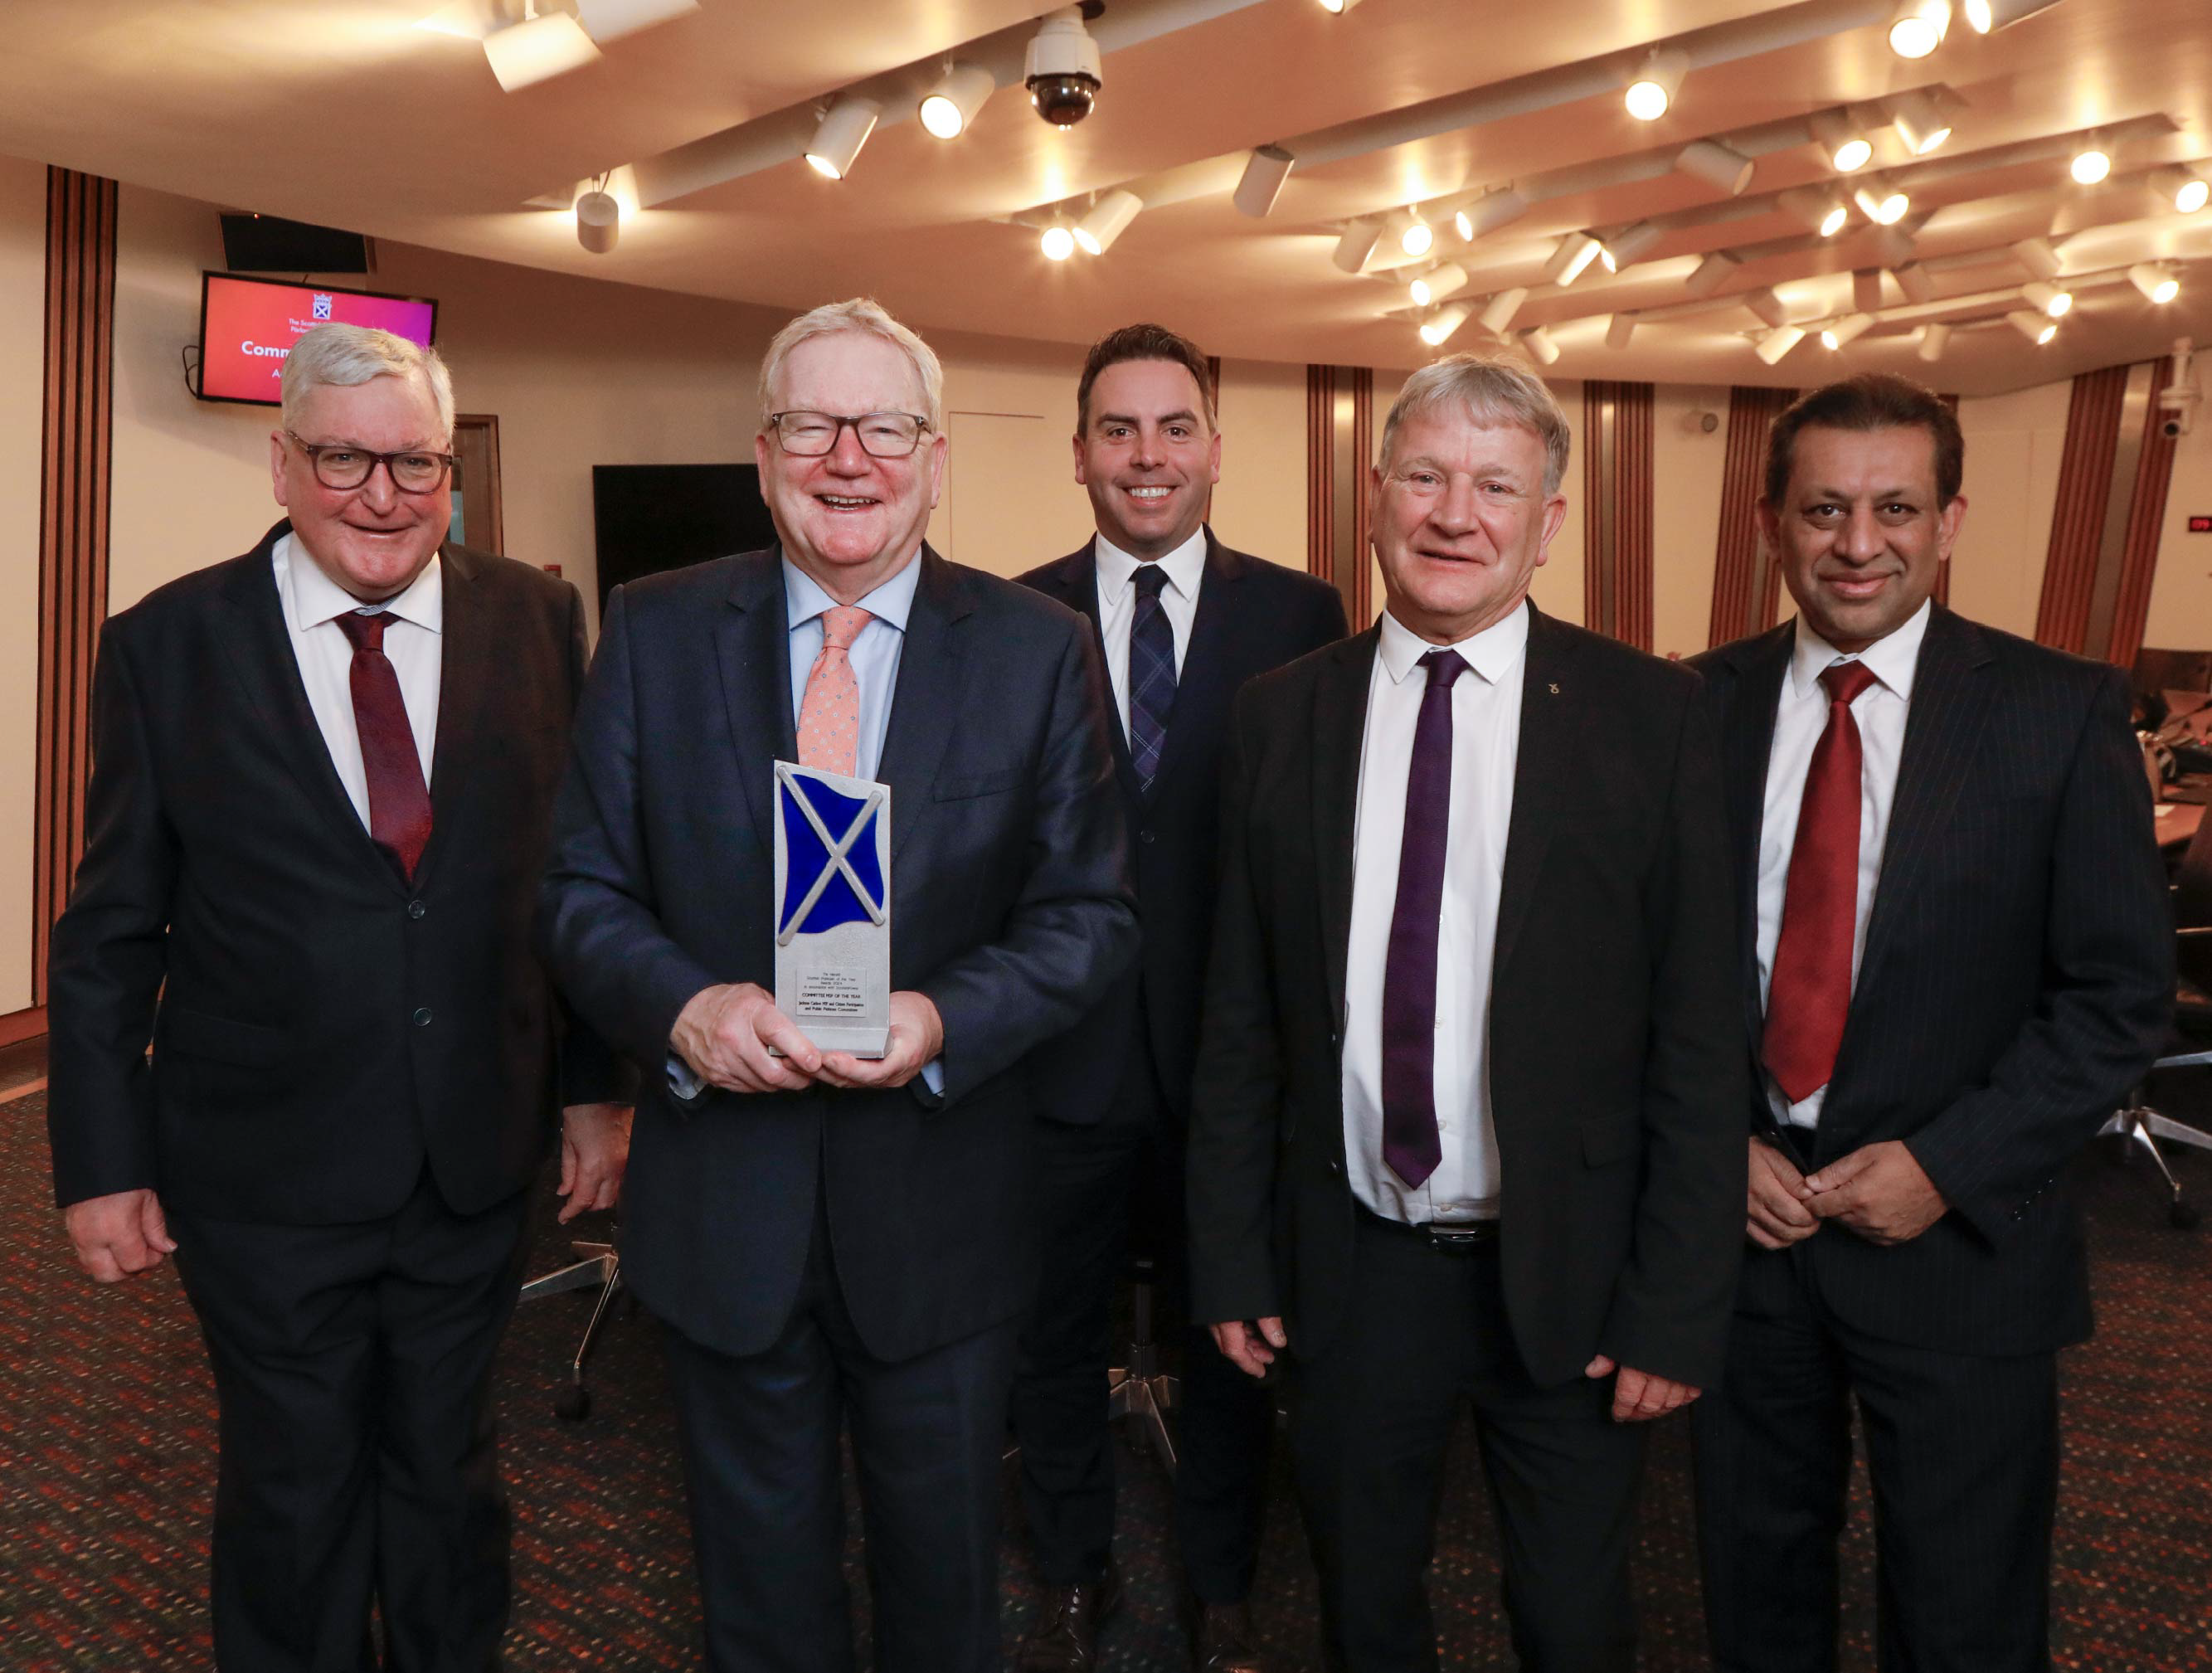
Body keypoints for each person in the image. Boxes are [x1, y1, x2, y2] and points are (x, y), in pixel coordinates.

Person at [536, 297, 1138, 1673]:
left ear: (934, 459)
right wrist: (682, 1008)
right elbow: (576, 894)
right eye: (813, 423)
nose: (846, 457)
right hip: (723, 1211)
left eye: (884, 427)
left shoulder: (1037, 650)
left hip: (941, 1209)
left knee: (945, 1595)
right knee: (756, 1599)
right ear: (764, 455)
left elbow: (1089, 916)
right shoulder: (652, 630)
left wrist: (942, 1019)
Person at [46, 322, 633, 1671]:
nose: (382, 494)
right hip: (261, 1163)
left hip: (473, 1150)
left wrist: (593, 1088)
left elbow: (577, 880)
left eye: (413, 462)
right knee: (296, 1484)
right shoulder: (167, 645)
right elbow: (111, 931)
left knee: (449, 1469)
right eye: (345, 459)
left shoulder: (536, 620)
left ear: (448, 470)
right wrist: (98, 1162)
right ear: (282, 463)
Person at [1187, 351, 1746, 1672]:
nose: (1456, 514)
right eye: (1427, 477)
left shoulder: (1656, 718)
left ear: (1546, 524)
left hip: (1571, 1270)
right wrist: (1230, 1253)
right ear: (1375, 496)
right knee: (1362, 1607)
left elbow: (1696, 1041)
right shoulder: (1279, 717)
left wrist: (1677, 1303)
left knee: (1570, 1617)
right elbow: (1238, 1018)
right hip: (1351, 1264)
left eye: (1496, 486)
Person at [1689, 372, 2173, 1673]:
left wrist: (1945, 1166)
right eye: (1825, 509)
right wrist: (1712, 1146)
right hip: (1743, 1244)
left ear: (1948, 520)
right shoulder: (1692, 707)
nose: (1859, 543)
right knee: (1753, 1598)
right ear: (1770, 524)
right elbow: (1645, 981)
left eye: (1894, 508)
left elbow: (2115, 996)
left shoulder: (2059, 712)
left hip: (1961, 1250)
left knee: (1964, 1617)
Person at [1012, 323, 1348, 1673]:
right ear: (1079, 452)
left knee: (1235, 1342)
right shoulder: (1012, 617)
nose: (1145, 457)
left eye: (1171, 428)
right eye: (1117, 430)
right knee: (1053, 1341)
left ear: (1214, 446)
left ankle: (1221, 1584)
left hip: (1231, 1064)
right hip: (1063, 1059)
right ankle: (1072, 1569)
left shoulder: (1302, 615)